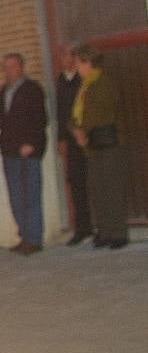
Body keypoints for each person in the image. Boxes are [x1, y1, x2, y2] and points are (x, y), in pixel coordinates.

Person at [69, 45, 131, 250]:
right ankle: (104, 231)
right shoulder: (84, 86)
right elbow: (76, 114)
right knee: (99, 190)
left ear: (87, 63)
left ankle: (118, 233)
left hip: (109, 144)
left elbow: (104, 112)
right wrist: (76, 130)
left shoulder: (104, 82)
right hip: (92, 145)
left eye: (78, 63)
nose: (76, 67)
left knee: (113, 188)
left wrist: (83, 130)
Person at [0, 53, 48, 255]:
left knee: (30, 194)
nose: (8, 71)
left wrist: (31, 143)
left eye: (12, 66)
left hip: (27, 150)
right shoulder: (3, 91)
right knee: (15, 196)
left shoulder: (32, 89)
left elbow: (40, 119)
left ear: (21, 67)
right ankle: (24, 236)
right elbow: (0, 118)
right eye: (5, 67)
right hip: (9, 150)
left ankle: (34, 239)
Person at [54, 47, 92, 246]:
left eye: (66, 55)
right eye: (61, 55)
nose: (63, 58)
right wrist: (61, 139)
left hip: (85, 137)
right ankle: (81, 228)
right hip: (70, 139)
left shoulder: (84, 79)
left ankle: (99, 226)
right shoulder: (60, 80)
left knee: (91, 182)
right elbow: (60, 113)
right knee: (75, 183)